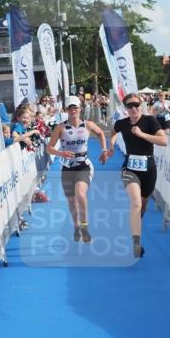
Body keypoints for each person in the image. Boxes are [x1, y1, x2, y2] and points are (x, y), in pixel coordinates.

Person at [101, 93, 168, 259]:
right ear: (125, 108)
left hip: (149, 168)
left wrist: (142, 134)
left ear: (141, 105)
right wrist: (110, 146)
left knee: (142, 205)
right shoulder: (122, 123)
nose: (134, 108)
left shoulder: (150, 121)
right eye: (130, 106)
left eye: (136, 105)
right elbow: (113, 131)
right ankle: (136, 243)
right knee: (136, 202)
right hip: (129, 167)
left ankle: (136, 221)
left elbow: (164, 141)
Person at [47, 96, 108, 243]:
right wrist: (61, 153)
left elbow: (100, 133)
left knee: (80, 194)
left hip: (84, 165)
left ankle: (85, 227)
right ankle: (76, 226)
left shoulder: (87, 124)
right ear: (66, 110)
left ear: (80, 109)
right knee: (71, 200)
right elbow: (48, 148)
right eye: (70, 108)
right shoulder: (60, 127)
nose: (73, 110)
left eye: (75, 107)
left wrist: (104, 150)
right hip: (67, 168)